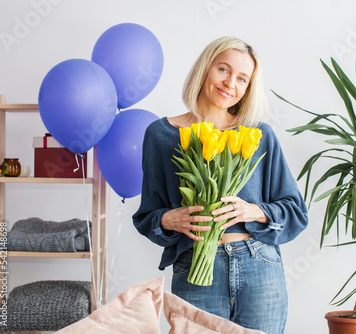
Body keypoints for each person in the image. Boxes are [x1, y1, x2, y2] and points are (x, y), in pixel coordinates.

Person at [132, 36, 308, 333]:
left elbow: (295, 212)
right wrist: (169, 219)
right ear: (205, 69)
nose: (230, 83)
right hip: (196, 270)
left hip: (259, 267)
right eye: (223, 70)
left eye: (242, 78)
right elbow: (147, 215)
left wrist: (251, 211)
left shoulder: (258, 136)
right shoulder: (161, 135)